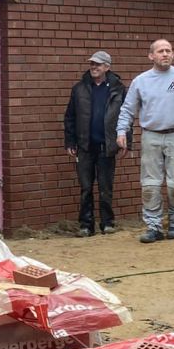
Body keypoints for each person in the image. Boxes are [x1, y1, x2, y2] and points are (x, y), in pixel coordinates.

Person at [116, 39, 174, 243]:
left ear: (173, 54)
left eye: (168, 50)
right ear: (151, 56)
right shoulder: (141, 81)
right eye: (160, 51)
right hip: (151, 137)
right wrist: (121, 130)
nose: (165, 54)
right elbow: (128, 109)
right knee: (150, 185)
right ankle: (154, 226)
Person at [64, 50, 130, 236]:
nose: (94, 67)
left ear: (107, 67)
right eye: (92, 64)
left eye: (98, 64)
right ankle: (86, 225)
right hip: (85, 146)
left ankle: (107, 223)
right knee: (85, 187)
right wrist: (70, 142)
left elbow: (126, 116)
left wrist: (127, 141)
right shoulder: (79, 89)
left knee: (105, 187)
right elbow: (70, 117)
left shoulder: (118, 89)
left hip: (106, 146)